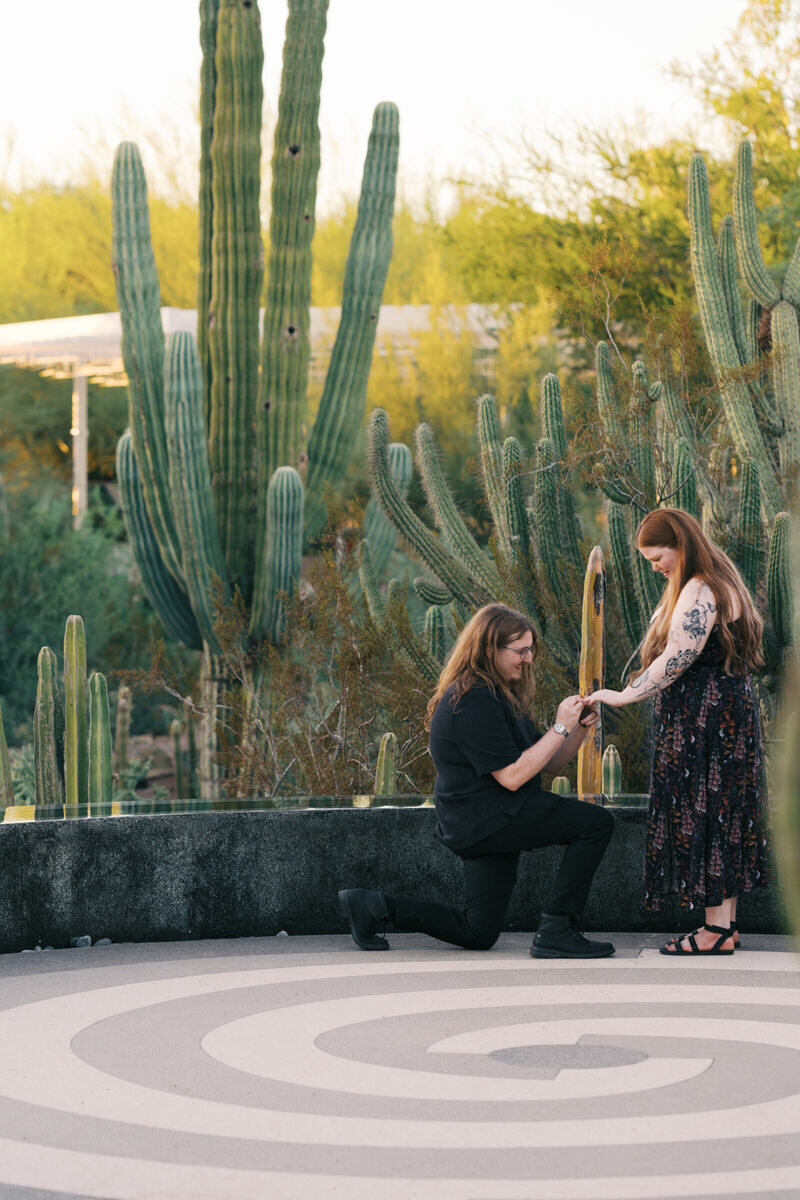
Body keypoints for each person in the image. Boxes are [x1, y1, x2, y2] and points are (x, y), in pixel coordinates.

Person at [339, 603, 616, 959]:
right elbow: (513, 776)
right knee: (595, 824)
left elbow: (549, 763)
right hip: (491, 817)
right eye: (520, 650)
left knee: (478, 931)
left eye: (531, 649)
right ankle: (557, 928)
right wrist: (560, 725)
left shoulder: (499, 694)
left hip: (487, 819)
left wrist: (578, 727)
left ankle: (372, 906)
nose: (529, 659)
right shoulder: (473, 699)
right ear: (489, 649)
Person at [585, 508, 770, 956]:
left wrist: (621, 696)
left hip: (704, 722)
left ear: (681, 546)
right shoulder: (720, 580)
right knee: (724, 813)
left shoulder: (700, 588)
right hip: (725, 717)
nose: (655, 567)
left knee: (705, 812)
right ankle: (725, 926)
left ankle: (714, 931)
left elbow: (677, 658)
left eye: (658, 557)